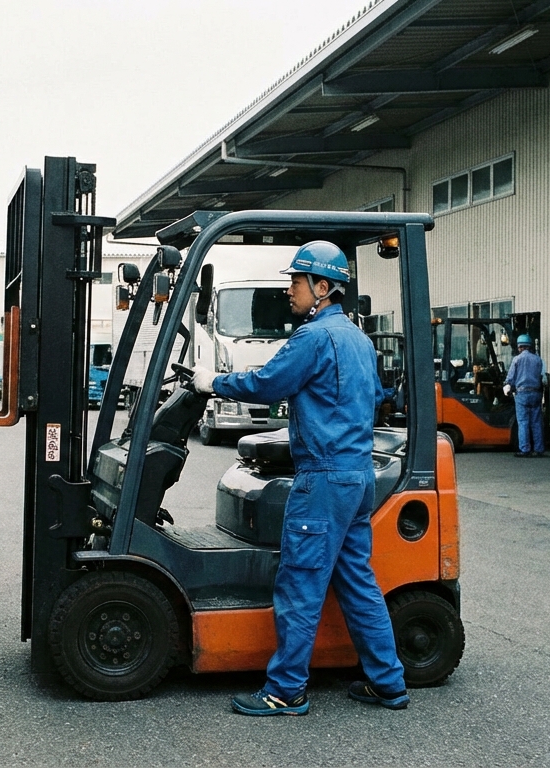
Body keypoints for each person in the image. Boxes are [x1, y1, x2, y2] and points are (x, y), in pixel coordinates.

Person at [192, 240, 408, 716]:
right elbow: (371, 398)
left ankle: (285, 689)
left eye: (296, 281)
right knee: (357, 582)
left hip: (323, 479)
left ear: (322, 287)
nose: (289, 290)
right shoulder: (359, 340)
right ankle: (389, 682)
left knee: (300, 585)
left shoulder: (313, 338)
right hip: (357, 477)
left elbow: (267, 383)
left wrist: (213, 383)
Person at [503, 334, 545, 457]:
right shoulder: (538, 359)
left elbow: (510, 378)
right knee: (536, 422)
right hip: (536, 393)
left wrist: (507, 386)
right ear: (530, 346)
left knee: (523, 422)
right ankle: (538, 449)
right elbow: (543, 377)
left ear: (519, 347)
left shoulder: (516, 359)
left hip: (522, 393)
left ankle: (525, 449)